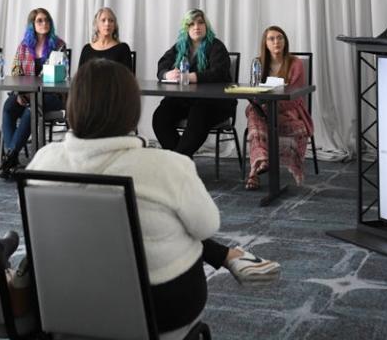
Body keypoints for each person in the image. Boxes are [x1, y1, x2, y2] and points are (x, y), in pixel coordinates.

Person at [27, 59, 280, 334]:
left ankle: (227, 254)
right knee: (177, 223)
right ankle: (230, 255)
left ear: (72, 104)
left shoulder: (42, 161)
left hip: (63, 302)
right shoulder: (167, 166)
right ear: (132, 108)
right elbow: (207, 226)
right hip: (158, 310)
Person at [152, 9, 236, 157]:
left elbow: (219, 73)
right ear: (186, 28)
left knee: (199, 114)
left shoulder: (216, 46)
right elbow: (162, 65)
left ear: (206, 26)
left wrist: (191, 77)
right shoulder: (180, 46)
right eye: (191, 24)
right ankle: (182, 160)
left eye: (200, 23)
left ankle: (178, 163)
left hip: (214, 102)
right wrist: (167, 74)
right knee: (160, 117)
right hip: (185, 100)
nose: (196, 27)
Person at [244, 26, 314, 189]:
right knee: (255, 113)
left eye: (280, 38)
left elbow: (295, 96)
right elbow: (254, 92)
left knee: (255, 116)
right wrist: (262, 104)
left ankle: (254, 170)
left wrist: (270, 106)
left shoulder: (295, 63)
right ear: (265, 43)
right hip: (264, 110)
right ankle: (259, 165)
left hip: (290, 111)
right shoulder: (258, 63)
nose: (276, 42)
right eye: (271, 38)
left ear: (285, 41)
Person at [0, 7, 66, 176]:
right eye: (39, 20)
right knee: (8, 107)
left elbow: (62, 75)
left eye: (46, 20)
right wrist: (19, 94)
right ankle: (11, 157)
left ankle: (10, 156)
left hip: (51, 96)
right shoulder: (24, 46)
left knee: (31, 110)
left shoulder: (59, 45)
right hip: (26, 93)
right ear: (32, 24)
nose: (44, 23)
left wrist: (31, 96)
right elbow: (15, 73)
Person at [77, 7, 133, 71]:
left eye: (111, 21)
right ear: (97, 25)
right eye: (103, 20)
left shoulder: (123, 48)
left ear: (115, 26)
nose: (107, 24)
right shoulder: (86, 49)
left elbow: (128, 78)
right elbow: (80, 77)